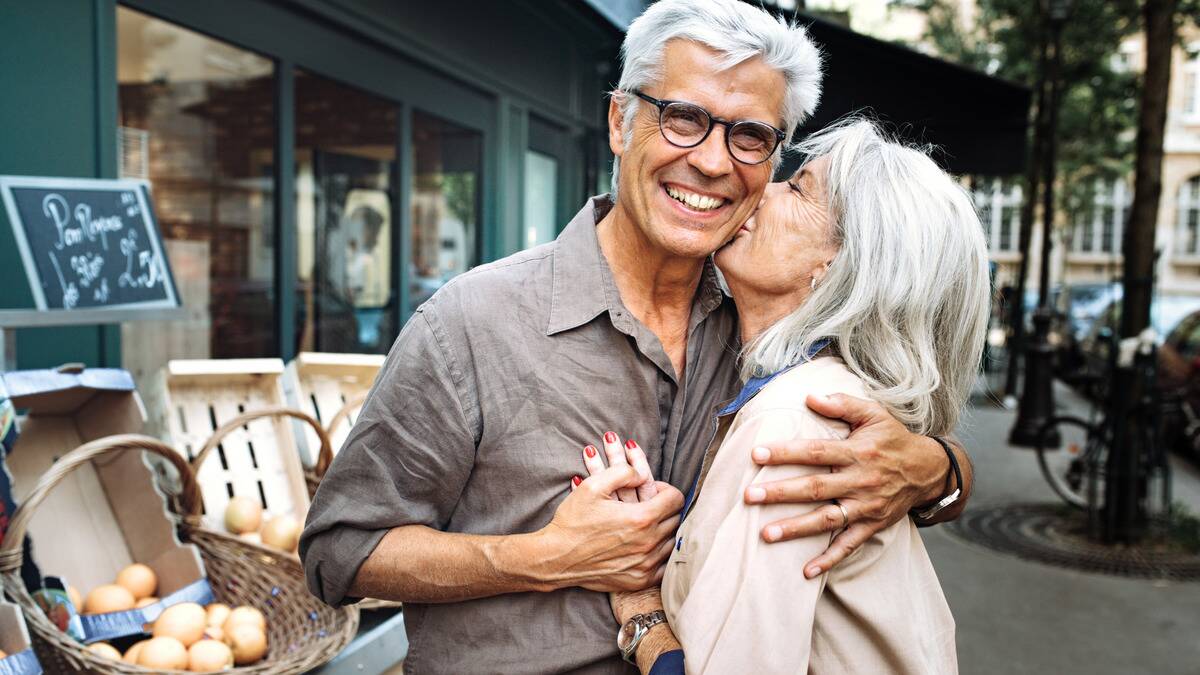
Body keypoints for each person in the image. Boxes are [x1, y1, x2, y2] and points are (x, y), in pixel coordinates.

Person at [300, 1, 975, 673]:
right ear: (620, 120)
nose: (712, 162)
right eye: (683, 118)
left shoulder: (770, 332)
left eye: (748, 135)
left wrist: (935, 469)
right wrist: (540, 558)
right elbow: (339, 553)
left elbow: (875, 452)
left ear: (772, 159)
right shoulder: (470, 323)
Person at [597, 119, 987, 674]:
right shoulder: (797, 385)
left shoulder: (797, 421)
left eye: (798, 187)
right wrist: (946, 467)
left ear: (838, 265)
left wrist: (642, 614)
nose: (762, 186)